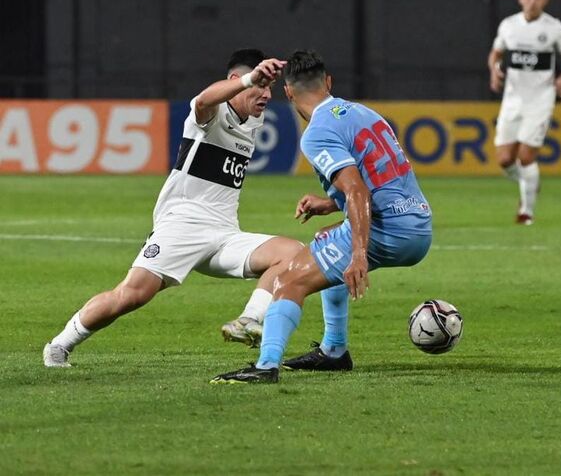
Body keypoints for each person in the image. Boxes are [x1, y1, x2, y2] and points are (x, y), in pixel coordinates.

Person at [43, 49, 304, 367]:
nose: (265, 94)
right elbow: (205, 100)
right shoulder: (211, 114)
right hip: (182, 225)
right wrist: (251, 78)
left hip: (224, 234)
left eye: (269, 88)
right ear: (236, 80)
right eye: (259, 85)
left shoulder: (253, 118)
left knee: (292, 253)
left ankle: (248, 320)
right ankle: (59, 345)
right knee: (131, 295)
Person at [211, 50, 432, 384]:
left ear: (287, 92)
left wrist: (359, 252)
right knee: (326, 240)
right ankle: (334, 350)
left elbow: (357, 191)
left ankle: (266, 366)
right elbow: (379, 178)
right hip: (419, 226)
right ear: (328, 82)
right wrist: (329, 204)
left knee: (288, 280)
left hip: (389, 231)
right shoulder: (365, 113)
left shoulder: (317, 132)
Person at [488, 0, 561, 225]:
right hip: (512, 99)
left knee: (526, 156)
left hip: (540, 99)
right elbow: (496, 53)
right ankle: (529, 183)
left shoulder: (554, 27)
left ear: (545, 0)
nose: (532, 1)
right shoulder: (509, 25)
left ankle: (526, 212)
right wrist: (495, 69)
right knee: (504, 160)